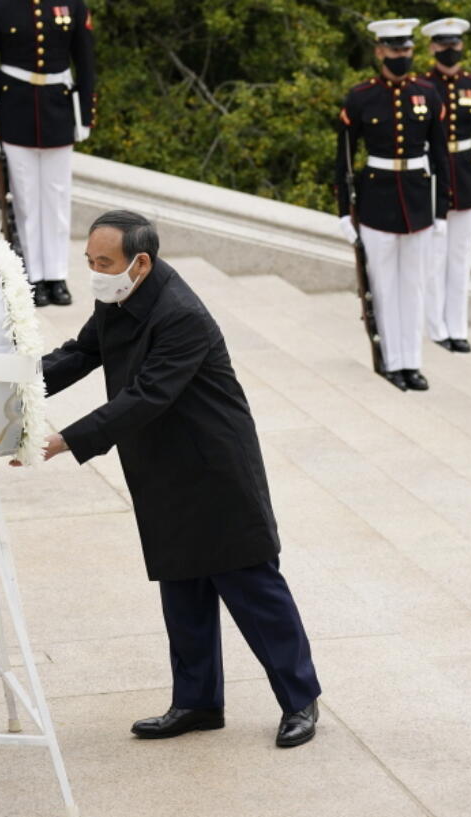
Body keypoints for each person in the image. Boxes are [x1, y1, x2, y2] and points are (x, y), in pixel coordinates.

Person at [36, 210, 322, 747]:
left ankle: (299, 698)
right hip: (164, 462)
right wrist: (20, 386)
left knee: (250, 585)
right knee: (182, 584)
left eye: (105, 263)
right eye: (90, 262)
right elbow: (83, 352)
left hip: (214, 466)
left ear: (139, 263)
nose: (96, 273)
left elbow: (146, 395)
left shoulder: (179, 313)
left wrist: (65, 440)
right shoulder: (118, 294)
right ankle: (196, 702)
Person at [335, 18, 450, 391]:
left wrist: (441, 210)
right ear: (379, 51)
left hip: (417, 202)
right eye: (394, 49)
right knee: (382, 287)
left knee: (414, 285)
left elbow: (442, 157)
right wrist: (342, 211)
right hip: (377, 202)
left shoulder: (428, 94)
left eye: (406, 49)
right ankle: (390, 361)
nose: (401, 55)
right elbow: (344, 159)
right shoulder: (361, 96)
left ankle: (411, 363)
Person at [0, 0, 97, 307]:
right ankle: (33, 276)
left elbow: (85, 60)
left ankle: (56, 275)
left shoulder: (73, 5)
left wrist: (85, 115)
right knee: (25, 199)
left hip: (59, 108)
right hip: (16, 110)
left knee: (57, 197)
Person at [419, 16, 471, 354]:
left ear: (462, 45)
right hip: (433, 176)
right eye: (443, 44)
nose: (449, 50)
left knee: (460, 258)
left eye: (455, 44)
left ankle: (458, 327)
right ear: (432, 47)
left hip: (465, 176)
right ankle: (434, 327)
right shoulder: (420, 86)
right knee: (433, 256)